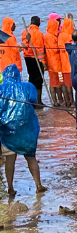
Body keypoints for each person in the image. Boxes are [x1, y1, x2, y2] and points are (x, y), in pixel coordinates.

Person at [0, 65, 43, 194]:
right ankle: (38, 184)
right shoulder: (28, 86)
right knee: (31, 157)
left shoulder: (1, 89)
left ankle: (10, 188)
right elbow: (34, 102)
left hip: (8, 131)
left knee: (10, 159)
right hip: (27, 129)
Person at [20, 16, 45, 108]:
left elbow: (23, 45)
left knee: (31, 78)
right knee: (38, 80)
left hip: (27, 58)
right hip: (36, 58)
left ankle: (31, 99)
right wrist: (43, 61)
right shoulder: (38, 33)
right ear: (38, 22)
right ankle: (38, 101)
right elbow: (39, 49)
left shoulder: (24, 31)